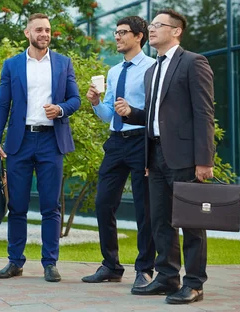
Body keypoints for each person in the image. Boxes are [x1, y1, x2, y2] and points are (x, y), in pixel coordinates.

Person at [115, 9, 215, 304]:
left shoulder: (193, 63)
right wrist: (132, 114)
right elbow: (155, 117)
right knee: (160, 220)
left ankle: (194, 283)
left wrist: (204, 159)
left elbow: (203, 113)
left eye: (159, 25)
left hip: (185, 157)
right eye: (152, 24)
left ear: (176, 31)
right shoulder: (152, 70)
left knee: (192, 222)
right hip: (155, 156)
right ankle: (168, 276)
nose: (153, 29)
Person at [0, 13, 80, 282]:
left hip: (51, 142)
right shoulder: (12, 65)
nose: (45, 34)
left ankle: (50, 263)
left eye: (48, 30)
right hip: (20, 142)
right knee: (17, 205)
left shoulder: (64, 63)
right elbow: (2, 104)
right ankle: (15, 261)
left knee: (50, 206)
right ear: (27, 33)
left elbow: (75, 99)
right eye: (39, 30)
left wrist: (61, 109)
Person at [82, 16, 156, 290]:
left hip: (141, 143)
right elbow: (108, 115)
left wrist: (132, 113)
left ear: (139, 36)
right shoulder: (113, 72)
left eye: (123, 32)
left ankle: (145, 269)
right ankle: (111, 265)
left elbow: (156, 113)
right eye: (115, 33)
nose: (117, 37)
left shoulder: (152, 68)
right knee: (103, 203)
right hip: (115, 142)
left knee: (144, 208)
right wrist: (96, 103)